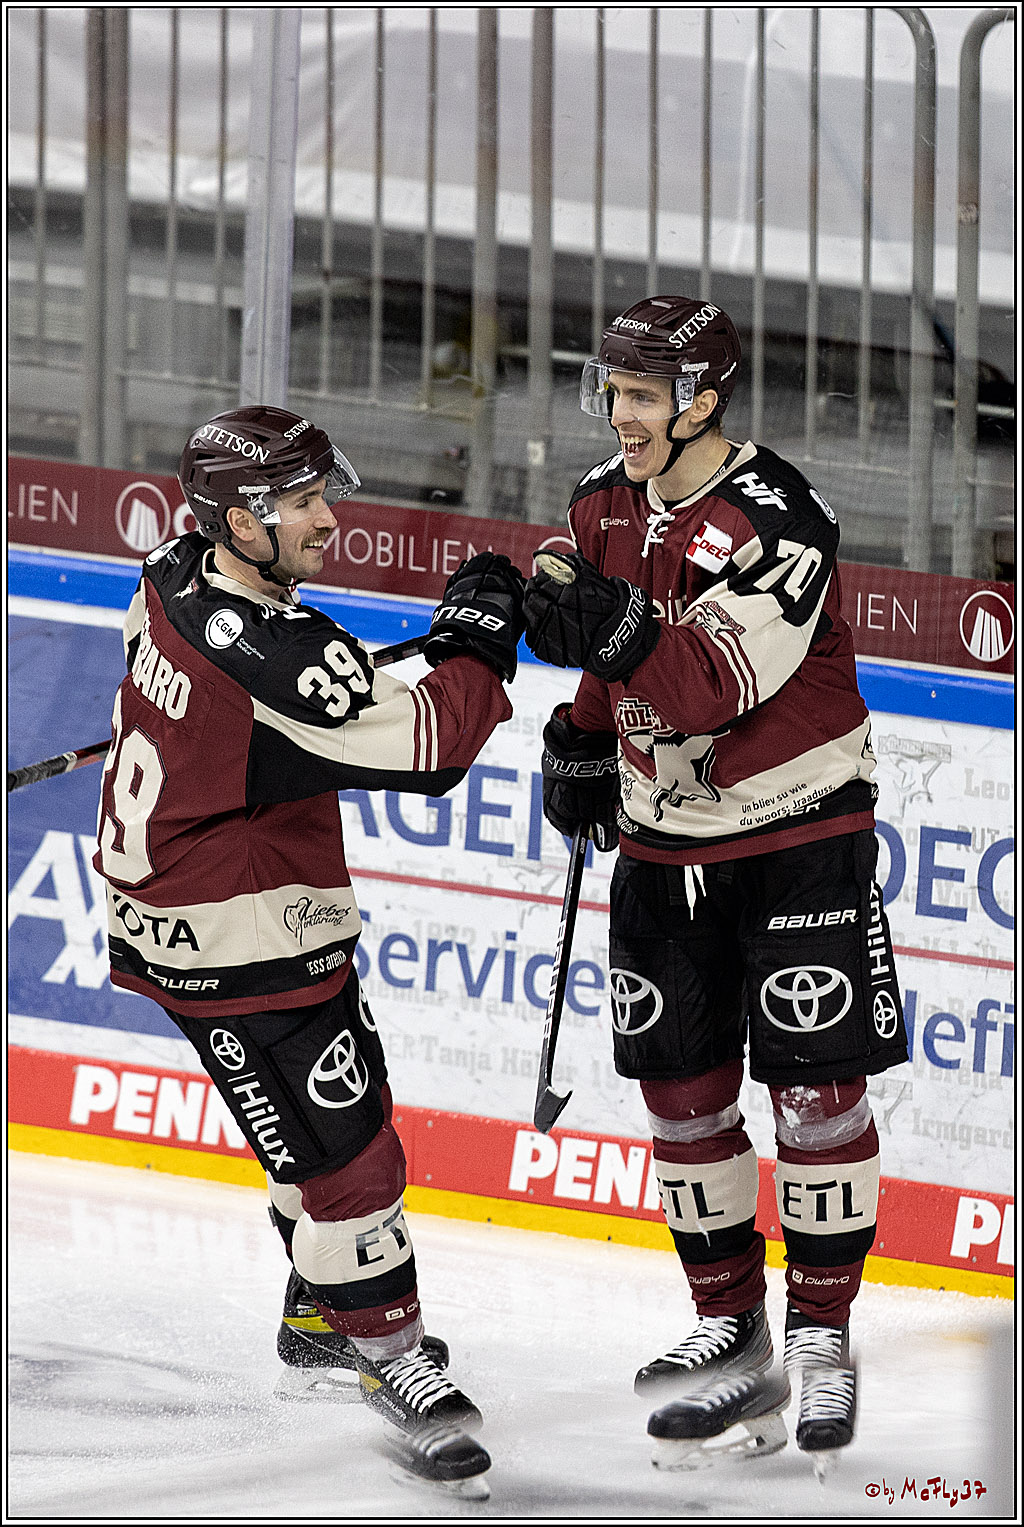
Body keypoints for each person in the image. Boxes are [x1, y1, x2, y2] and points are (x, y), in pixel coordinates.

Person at [92, 404, 526, 1491]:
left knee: (315, 1132)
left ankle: (322, 1319)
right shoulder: (282, 658)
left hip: (173, 915)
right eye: (301, 504)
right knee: (354, 1156)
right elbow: (433, 745)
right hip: (246, 935)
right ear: (238, 523)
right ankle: (384, 1357)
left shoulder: (170, 568)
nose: (329, 519)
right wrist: (476, 635)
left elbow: (237, 683)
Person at [522, 296, 908, 1470]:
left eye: (641, 396)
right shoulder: (599, 504)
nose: (618, 415)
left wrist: (597, 624)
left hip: (795, 834)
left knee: (815, 1102)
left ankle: (824, 1340)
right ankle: (727, 1329)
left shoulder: (781, 520)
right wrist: (584, 736)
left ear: (702, 399)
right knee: (682, 1101)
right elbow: (608, 649)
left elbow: (698, 683)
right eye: (612, 392)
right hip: (661, 847)